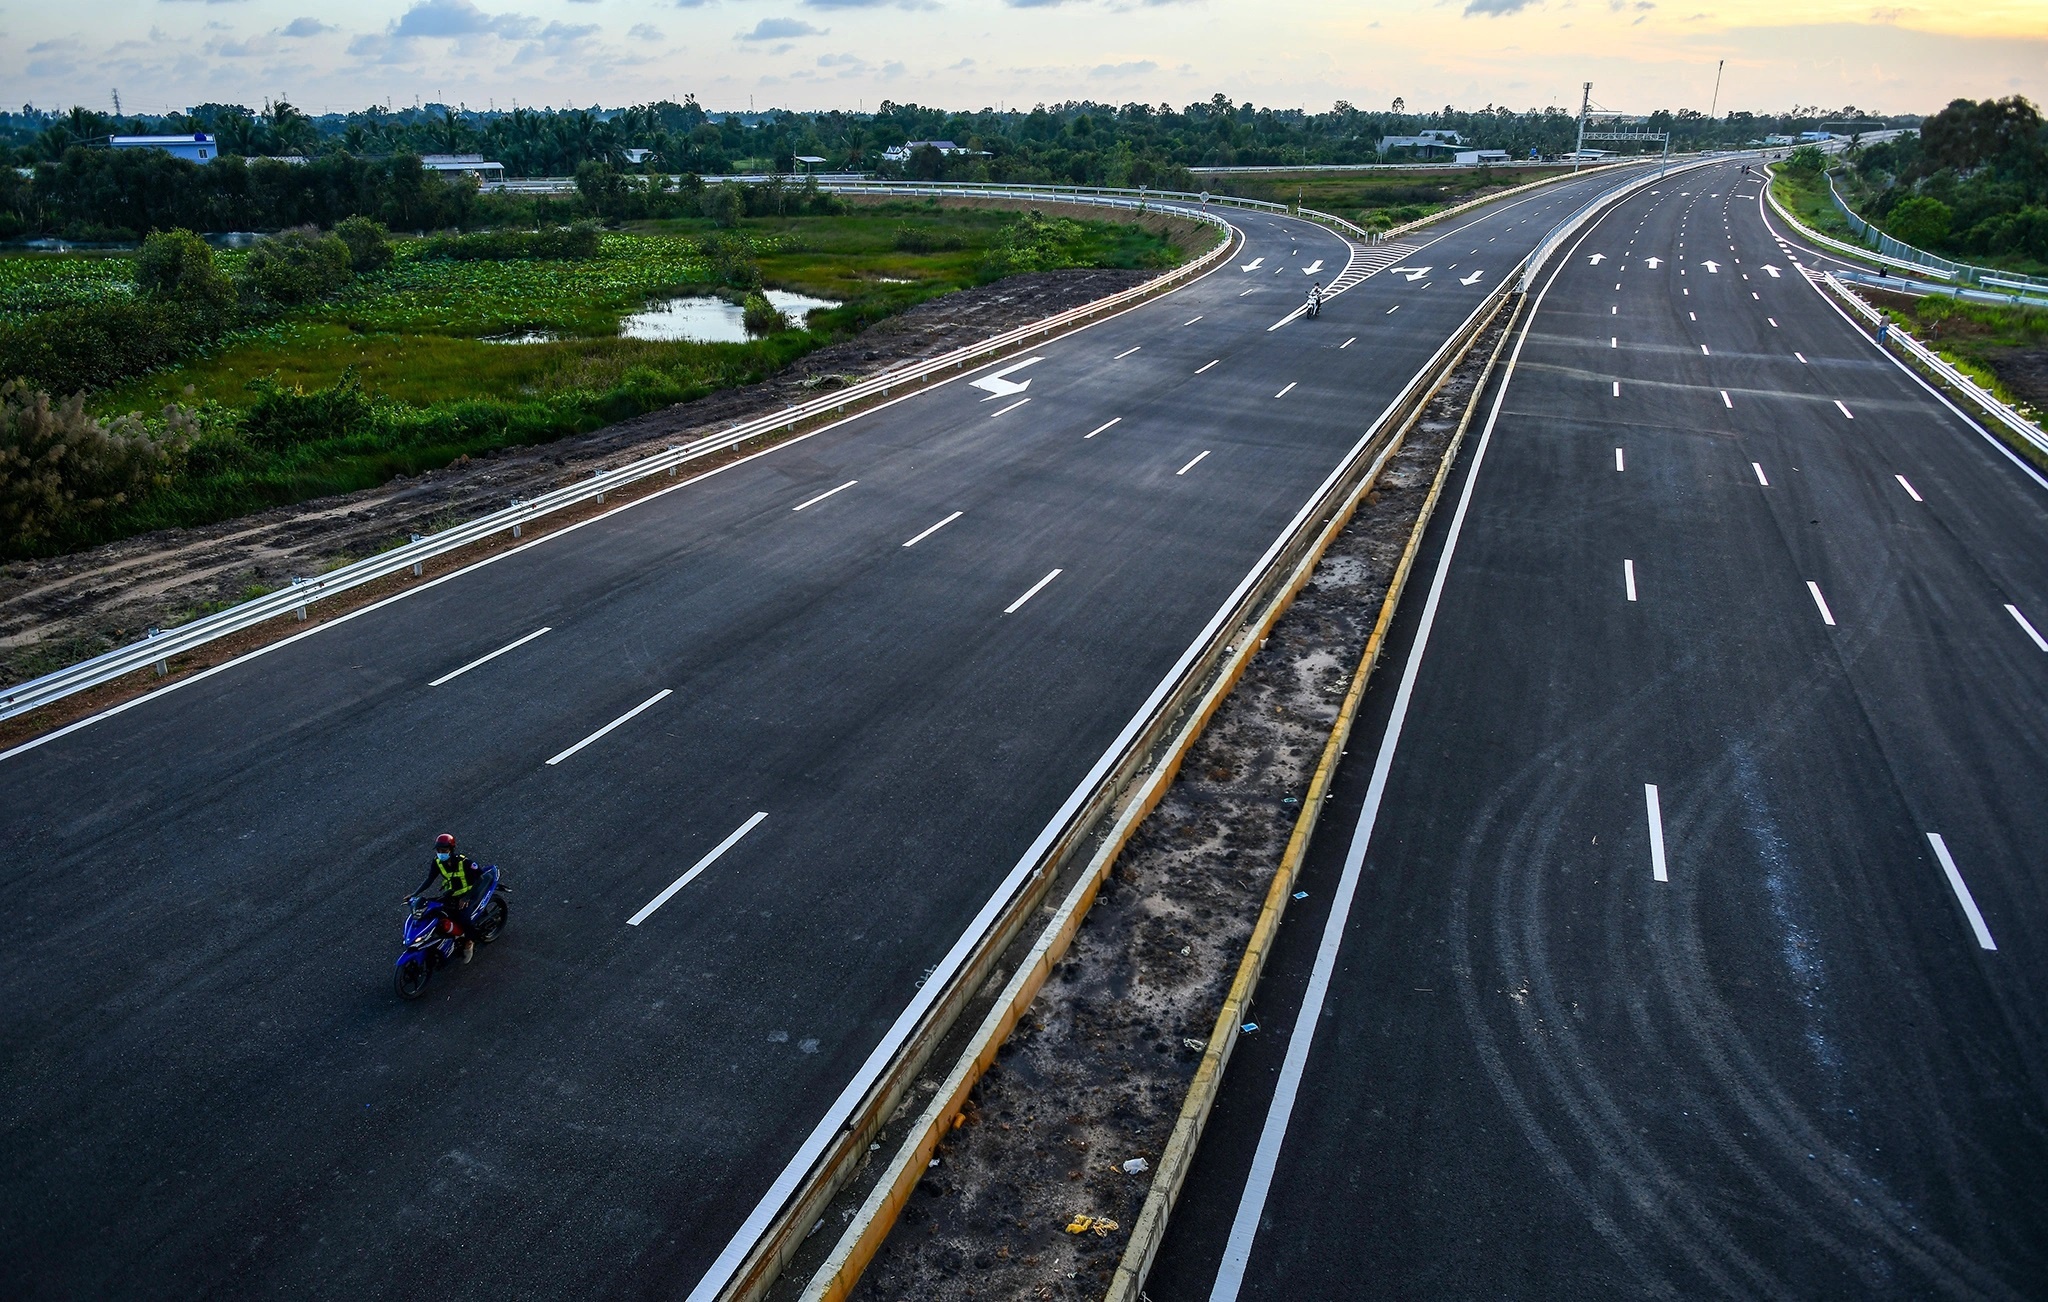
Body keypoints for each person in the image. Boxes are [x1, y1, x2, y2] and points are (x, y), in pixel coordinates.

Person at [414, 833, 480, 961]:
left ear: (451, 849)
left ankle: (469, 941)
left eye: (444, 850)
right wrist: (415, 894)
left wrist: (466, 897)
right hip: (452, 894)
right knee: (437, 912)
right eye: (439, 850)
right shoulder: (437, 862)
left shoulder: (464, 862)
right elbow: (429, 879)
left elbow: (480, 878)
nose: (441, 853)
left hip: (469, 894)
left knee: (464, 918)